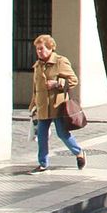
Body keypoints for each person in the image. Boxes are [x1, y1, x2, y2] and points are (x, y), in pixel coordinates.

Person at [31, 34, 85, 172]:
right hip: (43, 107)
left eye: (41, 48)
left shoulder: (60, 62)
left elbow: (73, 80)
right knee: (41, 136)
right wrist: (33, 105)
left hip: (57, 106)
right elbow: (35, 88)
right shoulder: (38, 65)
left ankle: (79, 152)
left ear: (50, 48)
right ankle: (43, 163)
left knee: (62, 133)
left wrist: (57, 83)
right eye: (37, 49)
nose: (39, 51)